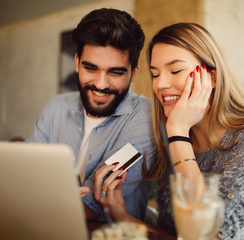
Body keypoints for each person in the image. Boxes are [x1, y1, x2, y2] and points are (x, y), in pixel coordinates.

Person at [92, 22, 244, 240]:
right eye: (154, 74)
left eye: (175, 70)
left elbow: (209, 233)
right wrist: (121, 216)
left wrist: (178, 132)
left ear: (213, 77)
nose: (160, 84)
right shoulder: (175, 141)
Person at [27, 8, 156, 222]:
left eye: (115, 72)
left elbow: (93, 203)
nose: (100, 84)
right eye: (91, 68)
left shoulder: (146, 116)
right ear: (77, 63)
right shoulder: (56, 107)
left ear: (133, 73)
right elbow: (24, 174)